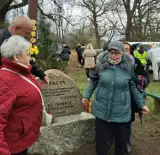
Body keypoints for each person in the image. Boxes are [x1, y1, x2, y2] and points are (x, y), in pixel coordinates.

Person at [82, 40, 149, 155]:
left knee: (120, 143)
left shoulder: (129, 67)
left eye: (116, 53)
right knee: (101, 143)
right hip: (101, 109)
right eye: (111, 52)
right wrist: (86, 96)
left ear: (122, 53)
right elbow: (93, 81)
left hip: (121, 111)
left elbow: (134, 87)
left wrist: (141, 104)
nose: (113, 56)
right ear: (108, 52)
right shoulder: (101, 65)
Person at [0, 36, 53, 155]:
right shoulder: (4, 80)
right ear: (17, 57)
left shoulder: (21, 71)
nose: (30, 58)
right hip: (12, 146)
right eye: (28, 54)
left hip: (20, 139)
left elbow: (20, 93)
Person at [0, 15, 49, 84]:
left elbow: (27, 60)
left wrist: (41, 74)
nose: (28, 36)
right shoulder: (1, 37)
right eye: (27, 33)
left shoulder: (21, 41)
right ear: (17, 28)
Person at [123, 42, 150, 153]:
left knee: (128, 120)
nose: (125, 51)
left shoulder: (135, 62)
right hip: (116, 97)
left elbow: (145, 76)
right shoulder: (112, 63)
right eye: (122, 49)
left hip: (130, 97)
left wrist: (141, 80)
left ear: (130, 51)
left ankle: (126, 141)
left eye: (127, 49)